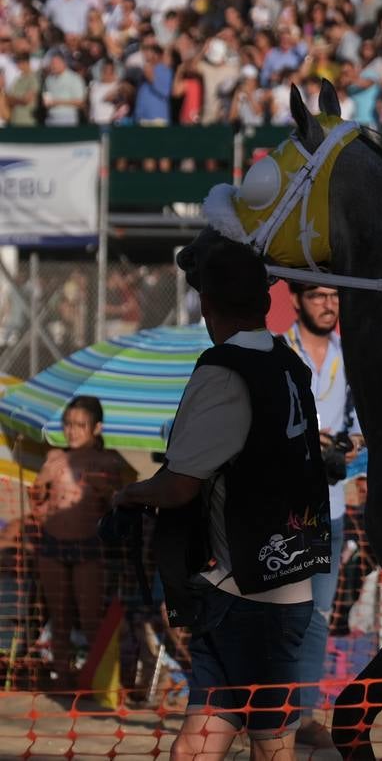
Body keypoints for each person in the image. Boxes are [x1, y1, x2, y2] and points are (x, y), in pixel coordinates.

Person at [113, 240, 329, 761]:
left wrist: (127, 495)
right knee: (196, 747)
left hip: (254, 604)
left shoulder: (225, 370)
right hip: (260, 589)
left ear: (206, 305)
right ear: (265, 303)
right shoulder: (289, 363)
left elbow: (179, 484)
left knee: (271, 749)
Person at [280, 283, 364, 747]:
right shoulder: (277, 352)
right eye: (317, 295)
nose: (329, 304)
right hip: (280, 511)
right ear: (295, 300)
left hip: (329, 509)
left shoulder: (351, 356)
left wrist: (348, 445)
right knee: (275, 616)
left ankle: (305, 715)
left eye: (335, 295)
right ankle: (263, 712)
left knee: (317, 617)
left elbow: (365, 429)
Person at [30, 397, 134, 690]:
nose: (72, 431)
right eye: (67, 424)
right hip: (52, 545)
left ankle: (99, 683)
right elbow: (36, 501)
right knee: (58, 617)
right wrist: (40, 484)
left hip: (89, 547)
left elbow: (123, 504)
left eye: (79, 425)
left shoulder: (109, 461)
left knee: (90, 619)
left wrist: (108, 491)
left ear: (97, 428)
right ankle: (63, 679)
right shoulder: (54, 458)